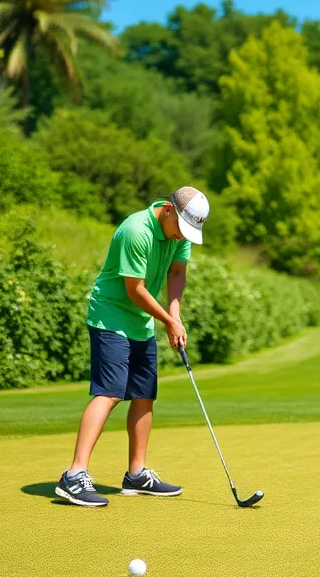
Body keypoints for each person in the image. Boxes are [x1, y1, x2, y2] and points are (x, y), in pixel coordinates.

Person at [55, 187, 210, 507]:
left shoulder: (179, 236)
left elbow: (177, 272)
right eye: (181, 229)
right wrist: (168, 321)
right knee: (110, 392)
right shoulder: (135, 230)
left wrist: (176, 316)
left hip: (141, 323)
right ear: (168, 209)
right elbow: (134, 289)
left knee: (144, 394)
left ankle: (136, 474)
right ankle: (73, 475)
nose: (183, 237)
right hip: (110, 317)